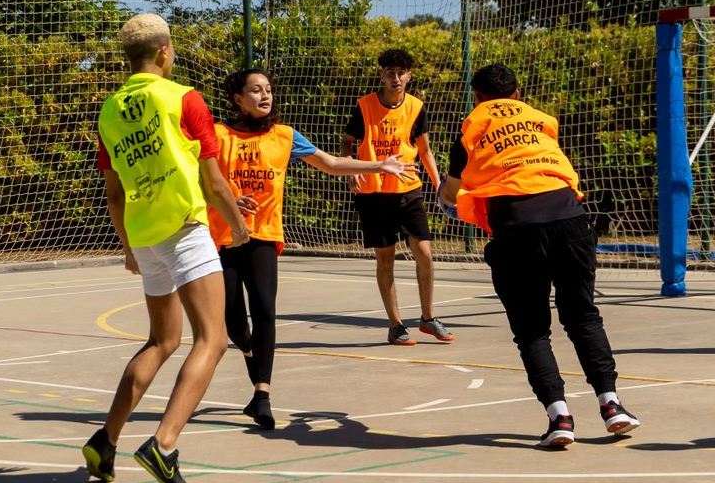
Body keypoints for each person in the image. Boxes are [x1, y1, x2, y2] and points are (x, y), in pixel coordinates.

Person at [83, 14, 251, 483]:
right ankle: (164, 443)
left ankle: (105, 439)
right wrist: (238, 226)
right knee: (214, 339)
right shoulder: (182, 97)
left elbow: (113, 194)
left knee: (161, 341)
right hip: (183, 226)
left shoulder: (110, 111)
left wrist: (129, 246)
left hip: (144, 233)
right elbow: (214, 180)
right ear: (163, 52)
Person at [439, 63, 639, 448]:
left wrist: (450, 201)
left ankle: (559, 415)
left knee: (532, 330)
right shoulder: (540, 120)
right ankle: (612, 404)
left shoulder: (470, 128)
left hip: (517, 227)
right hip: (569, 217)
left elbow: (450, 193)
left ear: (477, 97)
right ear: (517, 93)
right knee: (582, 316)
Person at [211, 69, 417, 431]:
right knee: (235, 324)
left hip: (263, 234)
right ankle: (248, 351)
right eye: (256, 90)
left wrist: (377, 164)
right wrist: (228, 200)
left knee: (265, 310)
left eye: (269, 90)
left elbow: (331, 163)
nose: (265, 96)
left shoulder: (284, 136)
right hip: (223, 238)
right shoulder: (217, 134)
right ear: (237, 99)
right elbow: (198, 181)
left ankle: (262, 394)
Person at [341, 48, 452, 346]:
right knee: (385, 258)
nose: (395, 78)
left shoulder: (416, 107)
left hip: (408, 189)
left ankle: (428, 319)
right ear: (381, 75)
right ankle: (396, 325)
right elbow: (348, 142)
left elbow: (425, 150)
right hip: (374, 192)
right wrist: (350, 168)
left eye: (401, 72)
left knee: (425, 253)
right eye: (389, 72)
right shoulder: (364, 106)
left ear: (409, 76)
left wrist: (440, 186)